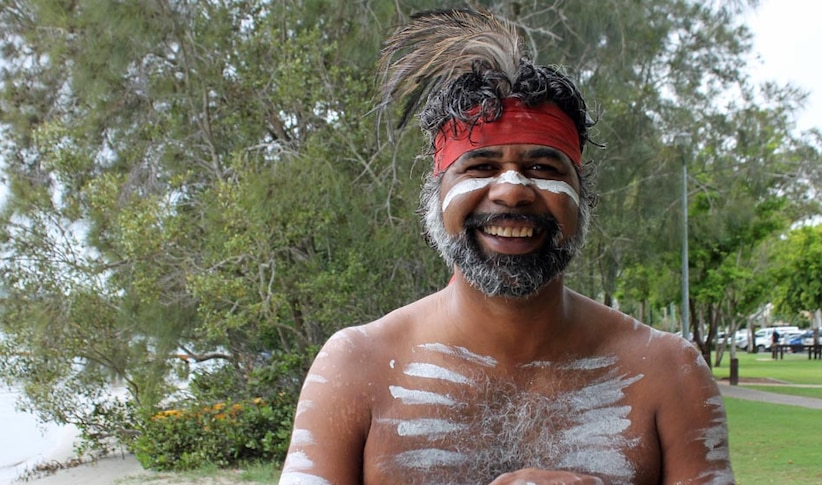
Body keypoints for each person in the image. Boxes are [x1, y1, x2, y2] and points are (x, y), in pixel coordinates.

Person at [279, 8, 733, 485]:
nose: (512, 189)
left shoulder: (668, 372)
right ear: (435, 197)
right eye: (479, 166)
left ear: (583, 197)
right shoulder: (355, 367)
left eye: (543, 167)